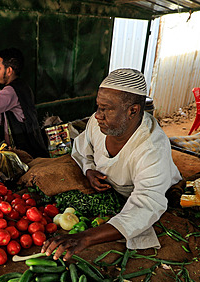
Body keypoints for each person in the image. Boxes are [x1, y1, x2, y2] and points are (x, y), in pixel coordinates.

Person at [41, 69, 182, 260]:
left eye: (106, 109)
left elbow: (146, 204)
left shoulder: (152, 148)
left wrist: (86, 237)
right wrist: (89, 169)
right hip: (112, 190)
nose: (98, 115)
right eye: (98, 107)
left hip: (154, 195)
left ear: (133, 110)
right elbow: (83, 150)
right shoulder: (97, 124)